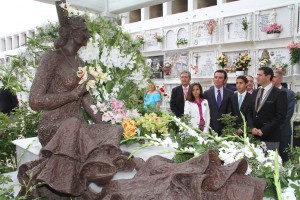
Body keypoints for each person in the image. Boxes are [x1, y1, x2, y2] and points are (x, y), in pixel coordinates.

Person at [18, 3, 136, 199]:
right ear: (72, 33)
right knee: (73, 125)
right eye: (85, 31)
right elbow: (34, 100)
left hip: (77, 126)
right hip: (54, 128)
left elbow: (87, 100)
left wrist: (105, 123)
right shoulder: (51, 58)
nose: (88, 36)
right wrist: (73, 94)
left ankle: (89, 176)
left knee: (113, 130)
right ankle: (74, 187)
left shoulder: (81, 64)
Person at [248, 67, 287, 151]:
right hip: (254, 136)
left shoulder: (279, 93)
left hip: (270, 137)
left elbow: (280, 117)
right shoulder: (255, 92)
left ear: (268, 76)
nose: (257, 77)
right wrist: (252, 128)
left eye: (260, 75)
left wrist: (263, 130)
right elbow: (249, 112)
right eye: (257, 75)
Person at [273, 70, 295, 162]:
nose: (272, 79)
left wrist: (275, 126)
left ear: (280, 79)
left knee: (284, 157)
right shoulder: (267, 92)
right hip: (269, 132)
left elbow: (288, 113)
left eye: (274, 77)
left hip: (283, 131)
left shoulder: (288, 93)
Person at [204, 69, 233, 135]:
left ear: (225, 80)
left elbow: (231, 111)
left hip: (225, 128)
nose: (217, 79)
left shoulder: (230, 93)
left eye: (220, 78)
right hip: (210, 126)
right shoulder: (206, 94)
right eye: (216, 77)